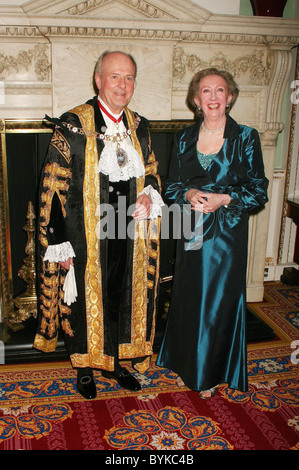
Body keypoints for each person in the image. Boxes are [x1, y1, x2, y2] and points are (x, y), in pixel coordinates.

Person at [33, 51, 163, 399]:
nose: (123, 85)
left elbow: (151, 171)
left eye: (129, 78)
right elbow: (51, 187)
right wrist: (59, 243)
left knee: (121, 294)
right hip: (84, 233)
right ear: (98, 80)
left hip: (128, 231)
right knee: (85, 299)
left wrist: (150, 193)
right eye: (115, 76)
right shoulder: (73, 124)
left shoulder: (140, 126)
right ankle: (87, 367)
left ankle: (118, 361)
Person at [157, 68, 268, 398]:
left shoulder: (245, 137)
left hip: (226, 234)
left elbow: (259, 190)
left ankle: (209, 372)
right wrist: (189, 195)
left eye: (220, 90)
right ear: (196, 100)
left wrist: (225, 198)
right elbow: (173, 185)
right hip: (190, 228)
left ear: (230, 97)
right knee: (189, 298)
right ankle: (185, 363)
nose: (214, 97)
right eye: (206, 91)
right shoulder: (184, 137)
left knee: (216, 302)